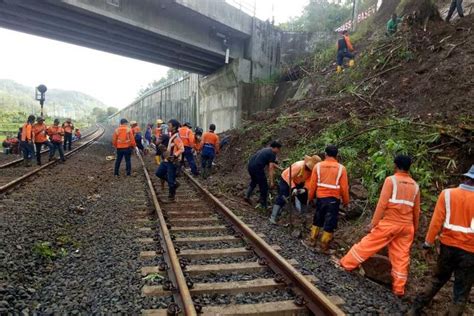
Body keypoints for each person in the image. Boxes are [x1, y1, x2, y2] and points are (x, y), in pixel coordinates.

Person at [339, 155, 420, 297]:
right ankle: (399, 289)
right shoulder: (415, 185)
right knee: (401, 257)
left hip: (390, 224)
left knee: (368, 244)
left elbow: (382, 204)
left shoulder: (391, 180)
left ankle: (346, 264)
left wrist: (373, 224)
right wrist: (415, 229)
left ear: (395, 165)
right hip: (407, 227)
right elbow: (416, 211)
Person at [408, 165, 474, 316]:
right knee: (461, 292)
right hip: (470, 252)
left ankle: (414, 310)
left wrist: (428, 243)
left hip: (448, 248)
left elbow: (436, 222)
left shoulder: (447, 194)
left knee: (436, 280)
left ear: (466, 177)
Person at [306, 145, 350, 252]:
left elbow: (312, 185)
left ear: (325, 154)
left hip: (321, 197)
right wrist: (346, 201)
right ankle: (324, 246)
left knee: (318, 218)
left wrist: (310, 197)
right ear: (337, 155)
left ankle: (312, 240)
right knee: (330, 222)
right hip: (334, 199)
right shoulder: (341, 168)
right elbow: (344, 188)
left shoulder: (318, 166)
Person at [269, 155, 321, 224]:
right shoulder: (298, 165)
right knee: (283, 196)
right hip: (286, 179)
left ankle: (303, 216)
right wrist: (293, 188)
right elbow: (289, 177)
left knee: (304, 196)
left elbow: (309, 182)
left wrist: (305, 189)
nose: (309, 169)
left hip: (299, 182)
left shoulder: (313, 172)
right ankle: (273, 217)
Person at [244, 141, 282, 210]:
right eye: (279, 149)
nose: (279, 151)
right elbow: (271, 168)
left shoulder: (265, 150)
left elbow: (271, 163)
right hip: (257, 169)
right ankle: (263, 205)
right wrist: (271, 182)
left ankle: (247, 196)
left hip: (250, 166)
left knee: (254, 181)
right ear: (276, 148)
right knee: (264, 186)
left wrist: (280, 168)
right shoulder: (272, 154)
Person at [155, 119, 184, 201]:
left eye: (169, 125)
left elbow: (182, 148)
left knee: (171, 180)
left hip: (172, 161)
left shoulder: (176, 137)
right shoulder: (172, 135)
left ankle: (172, 196)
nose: (168, 127)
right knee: (159, 173)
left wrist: (174, 155)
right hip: (167, 160)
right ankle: (175, 184)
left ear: (174, 127)